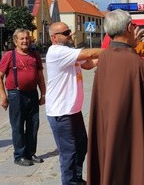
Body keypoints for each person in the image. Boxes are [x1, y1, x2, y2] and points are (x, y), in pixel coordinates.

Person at [87, 9, 144, 185]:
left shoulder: (104, 58)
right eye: (133, 25)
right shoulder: (133, 62)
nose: (136, 29)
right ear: (127, 27)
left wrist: (133, 45)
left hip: (111, 128)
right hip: (129, 132)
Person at [45, 22, 103, 185]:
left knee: (81, 146)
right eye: (65, 32)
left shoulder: (69, 53)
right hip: (61, 113)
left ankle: (76, 179)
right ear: (54, 38)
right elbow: (90, 53)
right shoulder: (57, 52)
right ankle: (70, 182)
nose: (70, 34)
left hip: (72, 111)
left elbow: (89, 63)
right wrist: (116, 50)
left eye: (69, 31)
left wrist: (108, 56)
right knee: (68, 153)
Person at [0, 29, 46, 166]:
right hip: (16, 95)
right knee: (17, 126)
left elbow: (40, 77)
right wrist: (3, 96)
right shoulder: (9, 56)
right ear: (15, 41)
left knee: (33, 125)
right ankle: (19, 156)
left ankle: (30, 153)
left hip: (32, 93)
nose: (25, 41)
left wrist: (43, 94)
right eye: (22, 39)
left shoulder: (35, 55)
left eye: (27, 38)